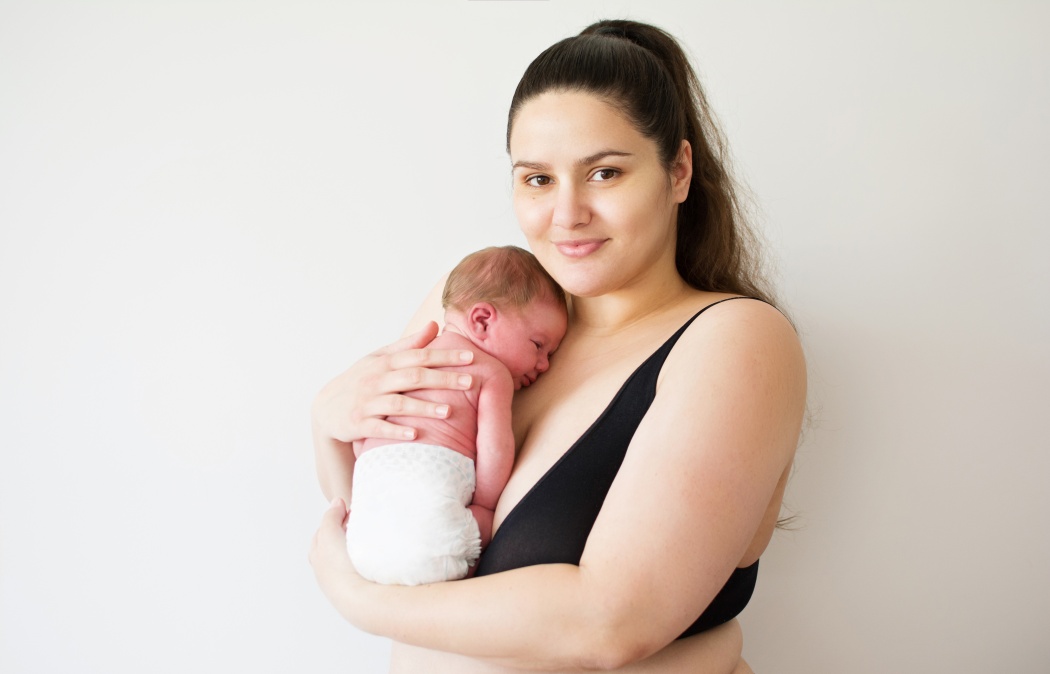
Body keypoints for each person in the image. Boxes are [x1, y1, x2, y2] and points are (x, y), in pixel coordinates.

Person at [310, 19, 806, 673]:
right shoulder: (471, 309)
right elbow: (375, 505)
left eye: (603, 173)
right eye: (537, 179)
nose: (567, 214)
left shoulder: (734, 342)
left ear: (678, 171)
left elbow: (611, 622)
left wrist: (356, 601)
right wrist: (326, 421)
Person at [346, 245, 567, 586]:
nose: (544, 364)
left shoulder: (412, 358)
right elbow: (495, 449)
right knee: (481, 530)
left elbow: (366, 426)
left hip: (363, 539)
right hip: (437, 531)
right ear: (481, 321)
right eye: (538, 345)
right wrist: (487, 507)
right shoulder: (490, 372)